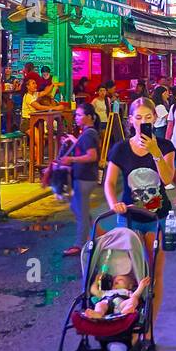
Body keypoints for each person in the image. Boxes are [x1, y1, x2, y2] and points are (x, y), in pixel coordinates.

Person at [103, 98, 176, 332]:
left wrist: (154, 151)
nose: (143, 122)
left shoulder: (165, 146)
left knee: (155, 274)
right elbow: (110, 182)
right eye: (138, 118)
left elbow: (166, 179)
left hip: (159, 218)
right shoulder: (121, 148)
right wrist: (114, 203)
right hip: (129, 217)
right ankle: (128, 318)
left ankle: (149, 329)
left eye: (147, 117)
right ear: (130, 120)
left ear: (155, 118)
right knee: (129, 274)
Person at [59, 101, 101, 256]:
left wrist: (71, 160)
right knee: (79, 209)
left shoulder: (89, 134)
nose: (76, 118)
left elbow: (92, 156)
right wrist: (73, 140)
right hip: (83, 177)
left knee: (81, 212)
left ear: (89, 117)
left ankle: (79, 245)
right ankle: (99, 236)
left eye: (79, 115)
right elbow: (85, 147)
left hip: (85, 178)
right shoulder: (87, 132)